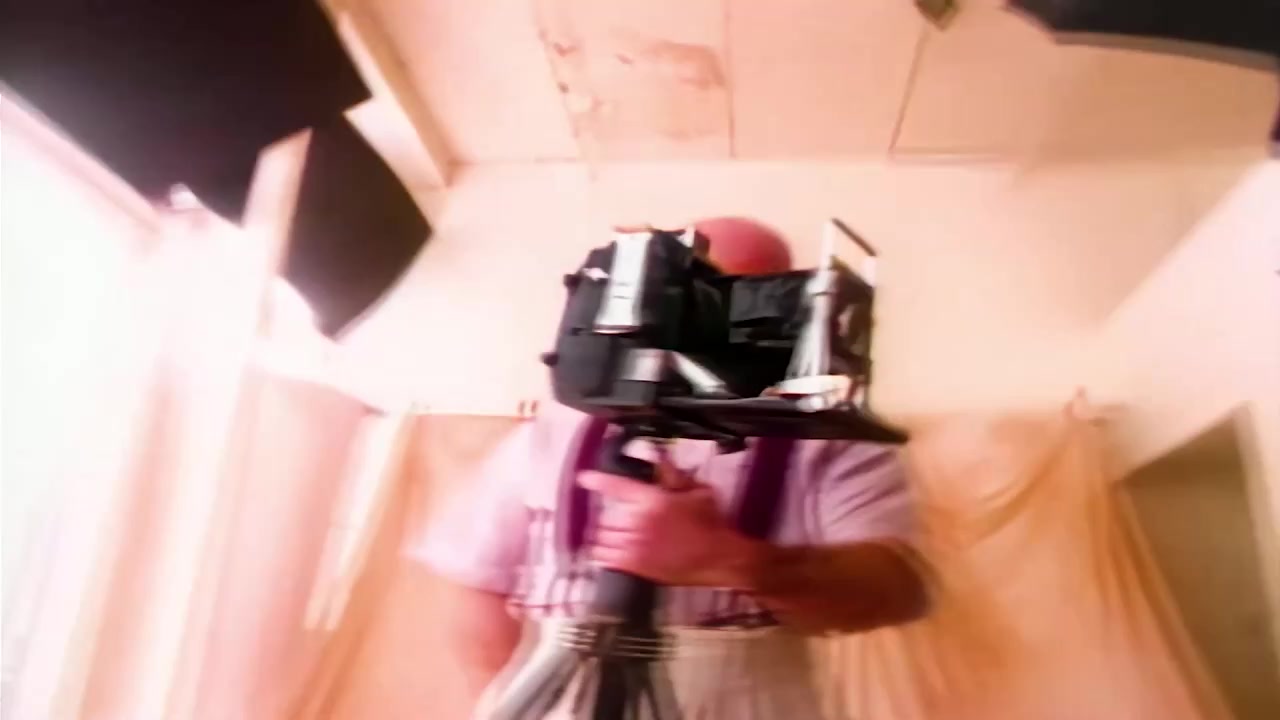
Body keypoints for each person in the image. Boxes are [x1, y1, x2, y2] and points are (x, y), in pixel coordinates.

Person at [412, 217, 930, 719]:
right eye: (696, 293)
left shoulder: (827, 438)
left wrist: (737, 561)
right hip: (560, 681)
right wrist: (493, 695)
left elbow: (897, 591)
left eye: (746, 299)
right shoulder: (559, 424)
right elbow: (476, 576)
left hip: (747, 692)